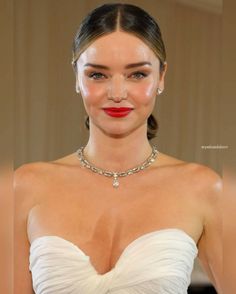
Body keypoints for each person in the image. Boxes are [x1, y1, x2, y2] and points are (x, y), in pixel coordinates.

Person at [14, 3, 223, 294]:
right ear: (77, 77)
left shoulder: (203, 189)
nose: (117, 93)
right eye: (97, 75)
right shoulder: (25, 187)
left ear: (161, 77)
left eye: (137, 74)